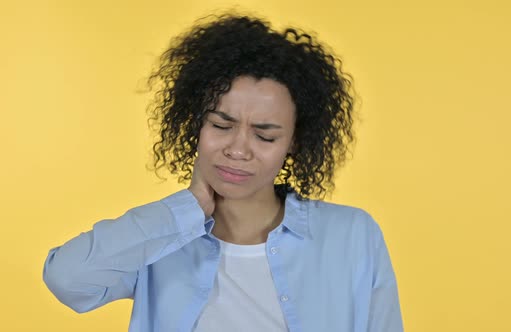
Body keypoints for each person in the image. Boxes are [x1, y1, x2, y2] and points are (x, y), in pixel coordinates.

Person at [42, 13, 403, 332]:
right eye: (220, 124)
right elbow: (67, 278)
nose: (238, 149)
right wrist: (189, 208)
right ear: (196, 123)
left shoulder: (353, 235)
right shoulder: (159, 241)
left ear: (295, 141)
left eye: (265, 134)